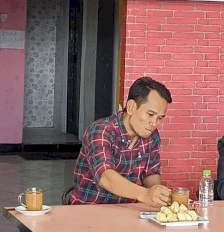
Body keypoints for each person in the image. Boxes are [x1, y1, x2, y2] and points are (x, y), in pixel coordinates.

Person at [71, 76, 173, 207]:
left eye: (160, 118)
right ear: (131, 107)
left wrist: (157, 194)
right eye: (150, 114)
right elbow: (105, 177)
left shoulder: (152, 135)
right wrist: (145, 194)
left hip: (127, 209)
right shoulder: (101, 131)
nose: (154, 123)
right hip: (89, 208)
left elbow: (151, 173)